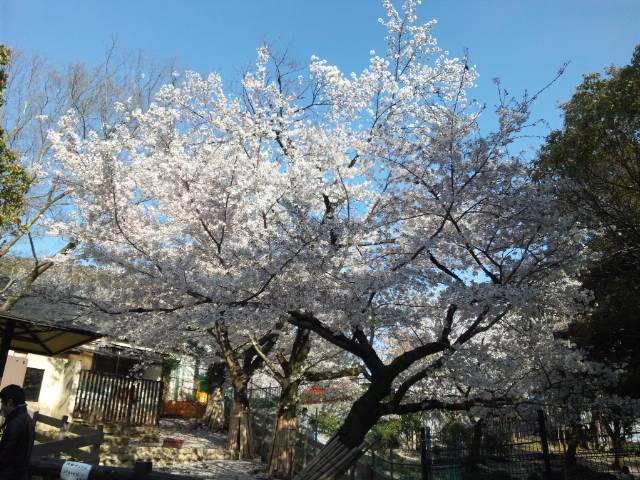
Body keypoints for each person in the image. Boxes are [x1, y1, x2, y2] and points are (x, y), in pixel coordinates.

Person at [0, 384, 35, 480]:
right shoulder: (27, 419)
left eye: (2, 402)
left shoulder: (15, 423)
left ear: (10, 402)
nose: (2, 407)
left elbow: (5, 455)